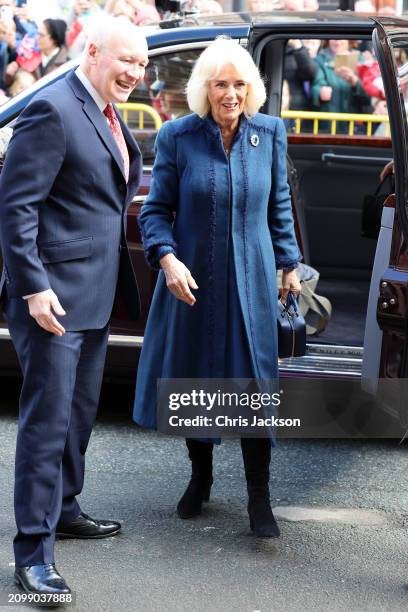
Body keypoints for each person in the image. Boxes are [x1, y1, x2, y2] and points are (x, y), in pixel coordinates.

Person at [0, 15, 148, 596]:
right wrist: (34, 286)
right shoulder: (53, 109)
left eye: (142, 64)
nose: (135, 73)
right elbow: (16, 210)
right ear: (92, 52)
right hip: (52, 302)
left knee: (79, 416)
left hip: (95, 296)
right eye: (126, 61)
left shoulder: (108, 113)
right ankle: (32, 554)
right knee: (46, 423)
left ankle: (64, 508)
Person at [134, 37, 301, 539]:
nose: (231, 93)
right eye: (221, 83)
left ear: (252, 88)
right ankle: (200, 476)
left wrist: (289, 262)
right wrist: (166, 259)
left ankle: (258, 496)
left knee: (252, 382)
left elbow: (279, 205)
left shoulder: (270, 132)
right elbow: (156, 211)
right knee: (196, 378)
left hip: (251, 279)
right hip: (193, 280)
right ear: (204, 89)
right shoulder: (176, 137)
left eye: (239, 83)